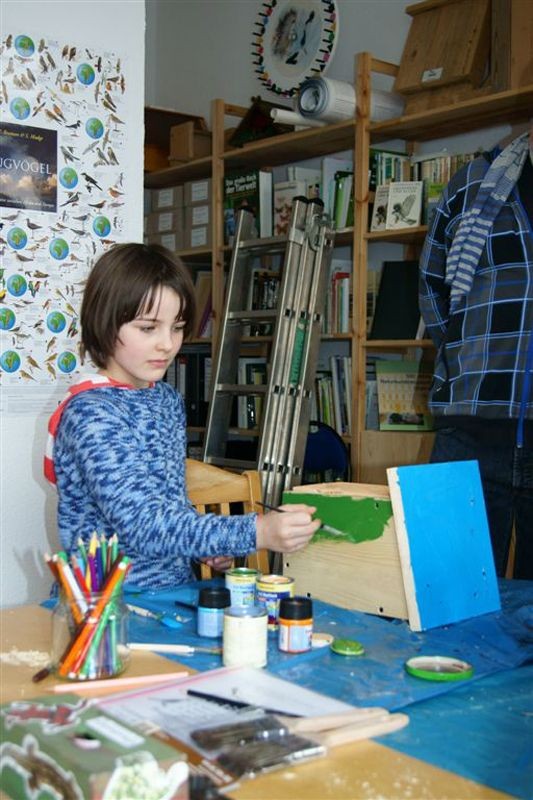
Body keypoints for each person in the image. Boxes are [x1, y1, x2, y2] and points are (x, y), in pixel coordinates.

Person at [44, 243, 321, 589]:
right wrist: (257, 531)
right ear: (104, 321)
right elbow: (145, 525)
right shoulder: (91, 413)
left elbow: (168, 502)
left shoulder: (166, 400)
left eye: (176, 327)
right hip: (104, 608)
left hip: (171, 594)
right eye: (148, 328)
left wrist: (207, 546)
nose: (167, 344)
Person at [419, 125, 533, 580]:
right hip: (469, 427)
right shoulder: (472, 183)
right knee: (448, 592)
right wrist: (466, 360)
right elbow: (432, 287)